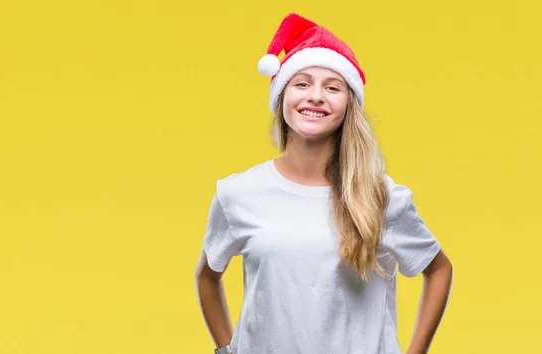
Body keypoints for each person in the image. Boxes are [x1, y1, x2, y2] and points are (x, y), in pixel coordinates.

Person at [194, 13, 453, 354]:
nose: (316, 96)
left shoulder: (382, 197)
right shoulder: (237, 194)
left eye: (332, 87)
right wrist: (227, 349)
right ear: (280, 96)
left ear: (349, 106)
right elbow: (207, 277)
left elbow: (438, 269)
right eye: (302, 83)